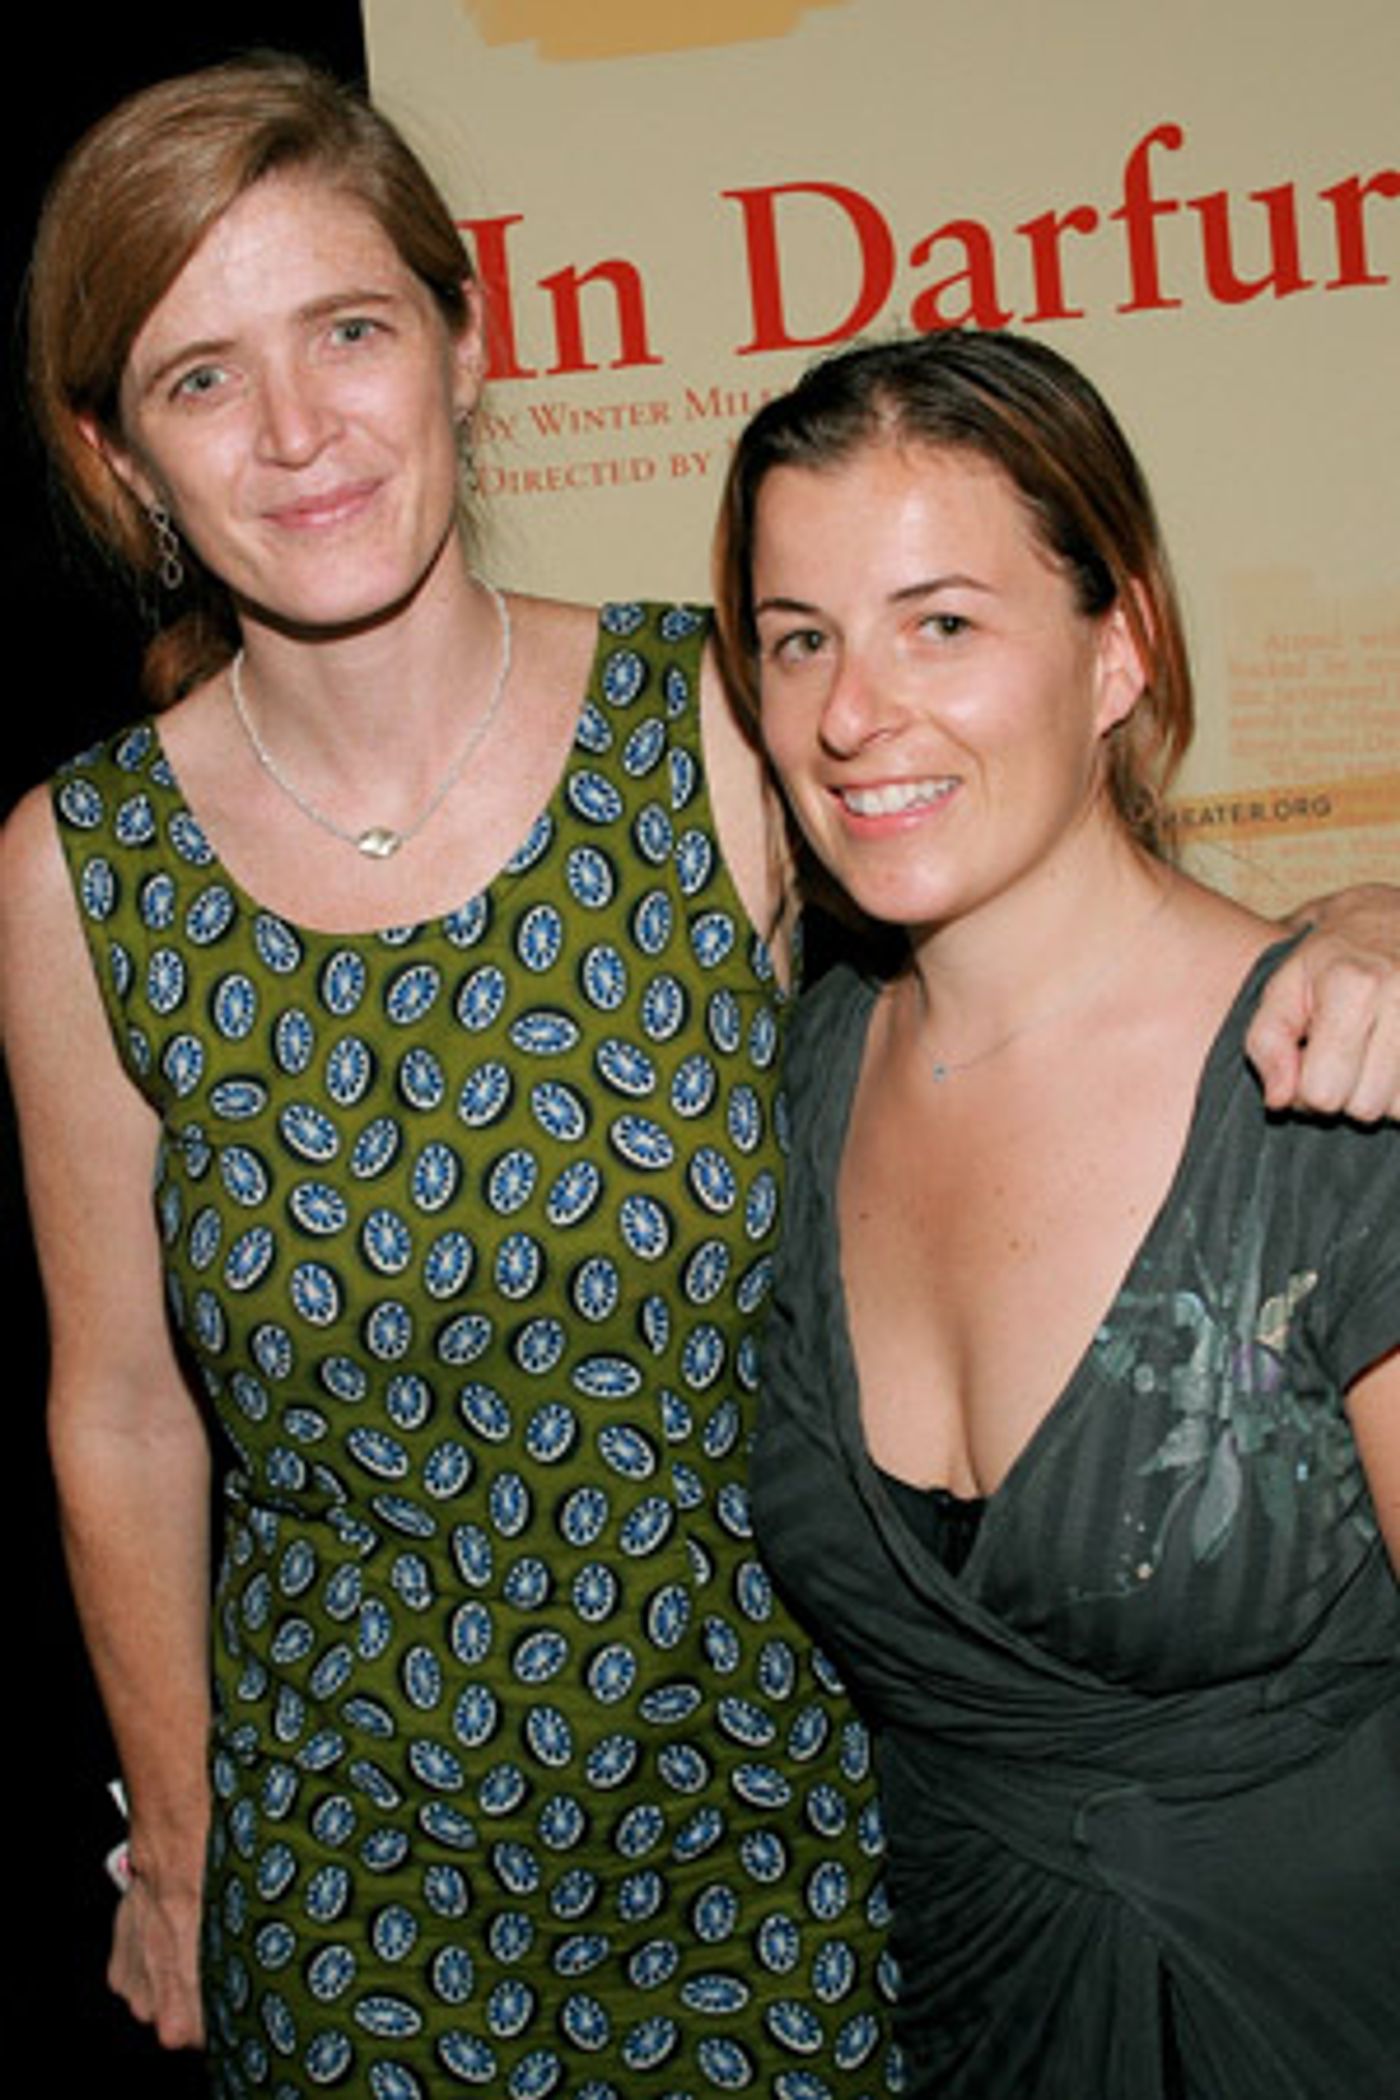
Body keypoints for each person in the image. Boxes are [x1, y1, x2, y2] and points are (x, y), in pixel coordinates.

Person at [0, 55, 1393, 2100]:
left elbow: (1058, 893)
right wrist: (184, 1840)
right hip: (356, 1869)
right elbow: (120, 1410)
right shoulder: (85, 870)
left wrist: (1365, 917)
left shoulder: (721, 715)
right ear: (120, 453)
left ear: (464, 346)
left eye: (348, 331)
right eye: (201, 377)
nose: (295, 429)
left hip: (788, 1832)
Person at [716, 329, 1400, 2100]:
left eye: (942, 622)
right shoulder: (789, 1081)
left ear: (1120, 647)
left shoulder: (1338, 1096)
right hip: (955, 2020)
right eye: (800, 639)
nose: (853, 713)